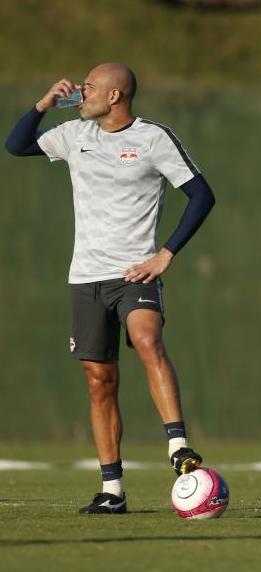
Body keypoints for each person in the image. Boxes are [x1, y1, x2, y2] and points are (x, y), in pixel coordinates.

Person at [5, 63, 216, 515]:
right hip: (85, 277)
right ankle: (112, 491)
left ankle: (177, 445)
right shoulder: (74, 134)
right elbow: (16, 145)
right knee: (100, 382)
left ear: (116, 95)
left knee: (146, 338)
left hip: (133, 273)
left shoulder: (153, 138)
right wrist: (43, 104)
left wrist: (166, 254)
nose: (81, 94)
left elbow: (202, 195)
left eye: (90, 88)